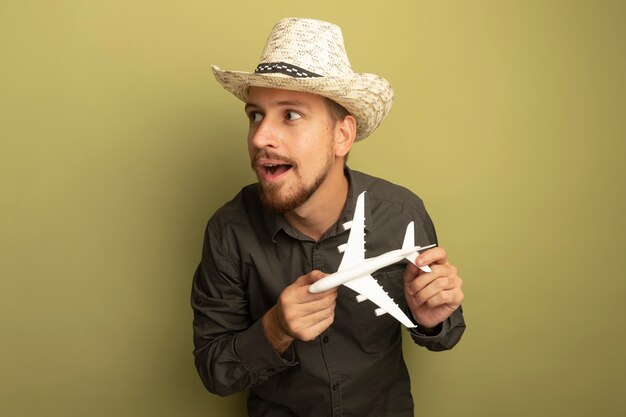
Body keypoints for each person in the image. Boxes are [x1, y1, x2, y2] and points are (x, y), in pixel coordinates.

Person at [191, 17, 466, 417]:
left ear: (342, 136)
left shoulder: (401, 214)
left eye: (290, 115)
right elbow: (214, 373)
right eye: (255, 115)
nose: (260, 137)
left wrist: (431, 321)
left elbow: (447, 334)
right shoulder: (228, 231)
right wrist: (275, 329)